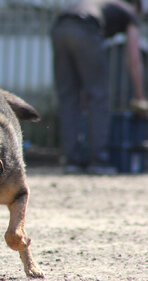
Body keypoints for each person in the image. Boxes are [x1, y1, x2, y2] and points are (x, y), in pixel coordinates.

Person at [50, 0, 146, 174]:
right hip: (86, 27)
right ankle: (99, 161)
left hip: (59, 27)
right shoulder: (130, 12)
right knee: (99, 97)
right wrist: (140, 97)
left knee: (68, 97)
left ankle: (71, 161)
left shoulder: (102, 2)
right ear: (136, 6)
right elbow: (134, 59)